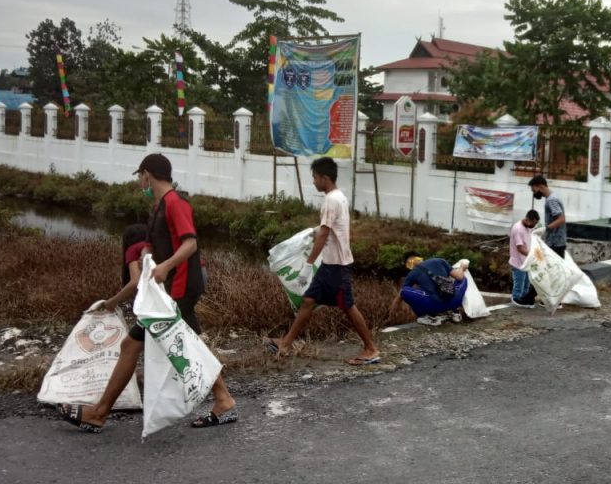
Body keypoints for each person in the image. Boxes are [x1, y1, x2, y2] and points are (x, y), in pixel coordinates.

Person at [59, 154, 237, 432]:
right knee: (191, 345)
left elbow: (190, 244)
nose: (139, 181)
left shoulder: (176, 203)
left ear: (147, 174)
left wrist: (165, 266)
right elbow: (157, 244)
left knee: (133, 345)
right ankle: (224, 400)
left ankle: (98, 413)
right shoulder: (158, 206)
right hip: (169, 290)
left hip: (178, 289)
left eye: (140, 176)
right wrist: (147, 254)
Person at [267, 157, 381, 365]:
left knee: (348, 306)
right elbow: (331, 228)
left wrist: (308, 265)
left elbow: (325, 234)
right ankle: (285, 344)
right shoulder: (340, 197)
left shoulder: (331, 200)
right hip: (332, 264)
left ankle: (371, 349)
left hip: (337, 265)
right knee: (309, 301)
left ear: (325, 178)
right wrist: (313, 232)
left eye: (315, 177)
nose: (313, 181)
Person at [389, 253, 467, 326]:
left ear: (409, 265)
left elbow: (400, 295)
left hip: (434, 306)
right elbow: (459, 277)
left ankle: (427, 317)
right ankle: (455, 312)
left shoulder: (412, 273)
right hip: (454, 301)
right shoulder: (439, 261)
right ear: (420, 258)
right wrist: (462, 267)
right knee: (464, 278)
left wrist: (391, 314)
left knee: (404, 290)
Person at [528, 175, 567, 258]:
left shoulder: (551, 200)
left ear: (541, 187)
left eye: (534, 190)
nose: (534, 193)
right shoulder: (552, 196)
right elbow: (556, 218)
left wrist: (545, 228)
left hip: (555, 243)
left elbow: (561, 219)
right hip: (556, 242)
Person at [509, 209, 540, 308]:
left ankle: (524, 300)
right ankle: (516, 299)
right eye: (533, 223)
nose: (533, 226)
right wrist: (533, 255)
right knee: (519, 285)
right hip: (518, 262)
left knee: (527, 284)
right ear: (527, 220)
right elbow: (520, 248)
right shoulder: (518, 229)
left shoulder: (529, 227)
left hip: (526, 261)